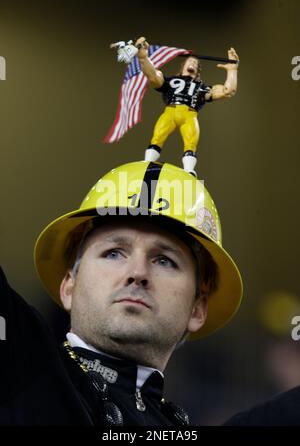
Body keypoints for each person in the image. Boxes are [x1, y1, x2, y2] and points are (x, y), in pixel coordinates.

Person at [0, 161, 243, 425]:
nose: (137, 272)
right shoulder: (25, 360)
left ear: (197, 309)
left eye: (164, 260)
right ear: (69, 285)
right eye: (113, 253)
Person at [134, 37, 239, 176]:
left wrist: (232, 71)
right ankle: (147, 162)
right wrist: (143, 59)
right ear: (183, 66)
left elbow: (228, 91)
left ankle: (189, 170)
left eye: (195, 63)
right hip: (170, 111)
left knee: (190, 144)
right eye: (190, 61)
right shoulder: (170, 81)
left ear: (198, 71)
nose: (193, 63)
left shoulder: (201, 88)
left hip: (190, 114)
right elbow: (152, 75)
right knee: (157, 137)